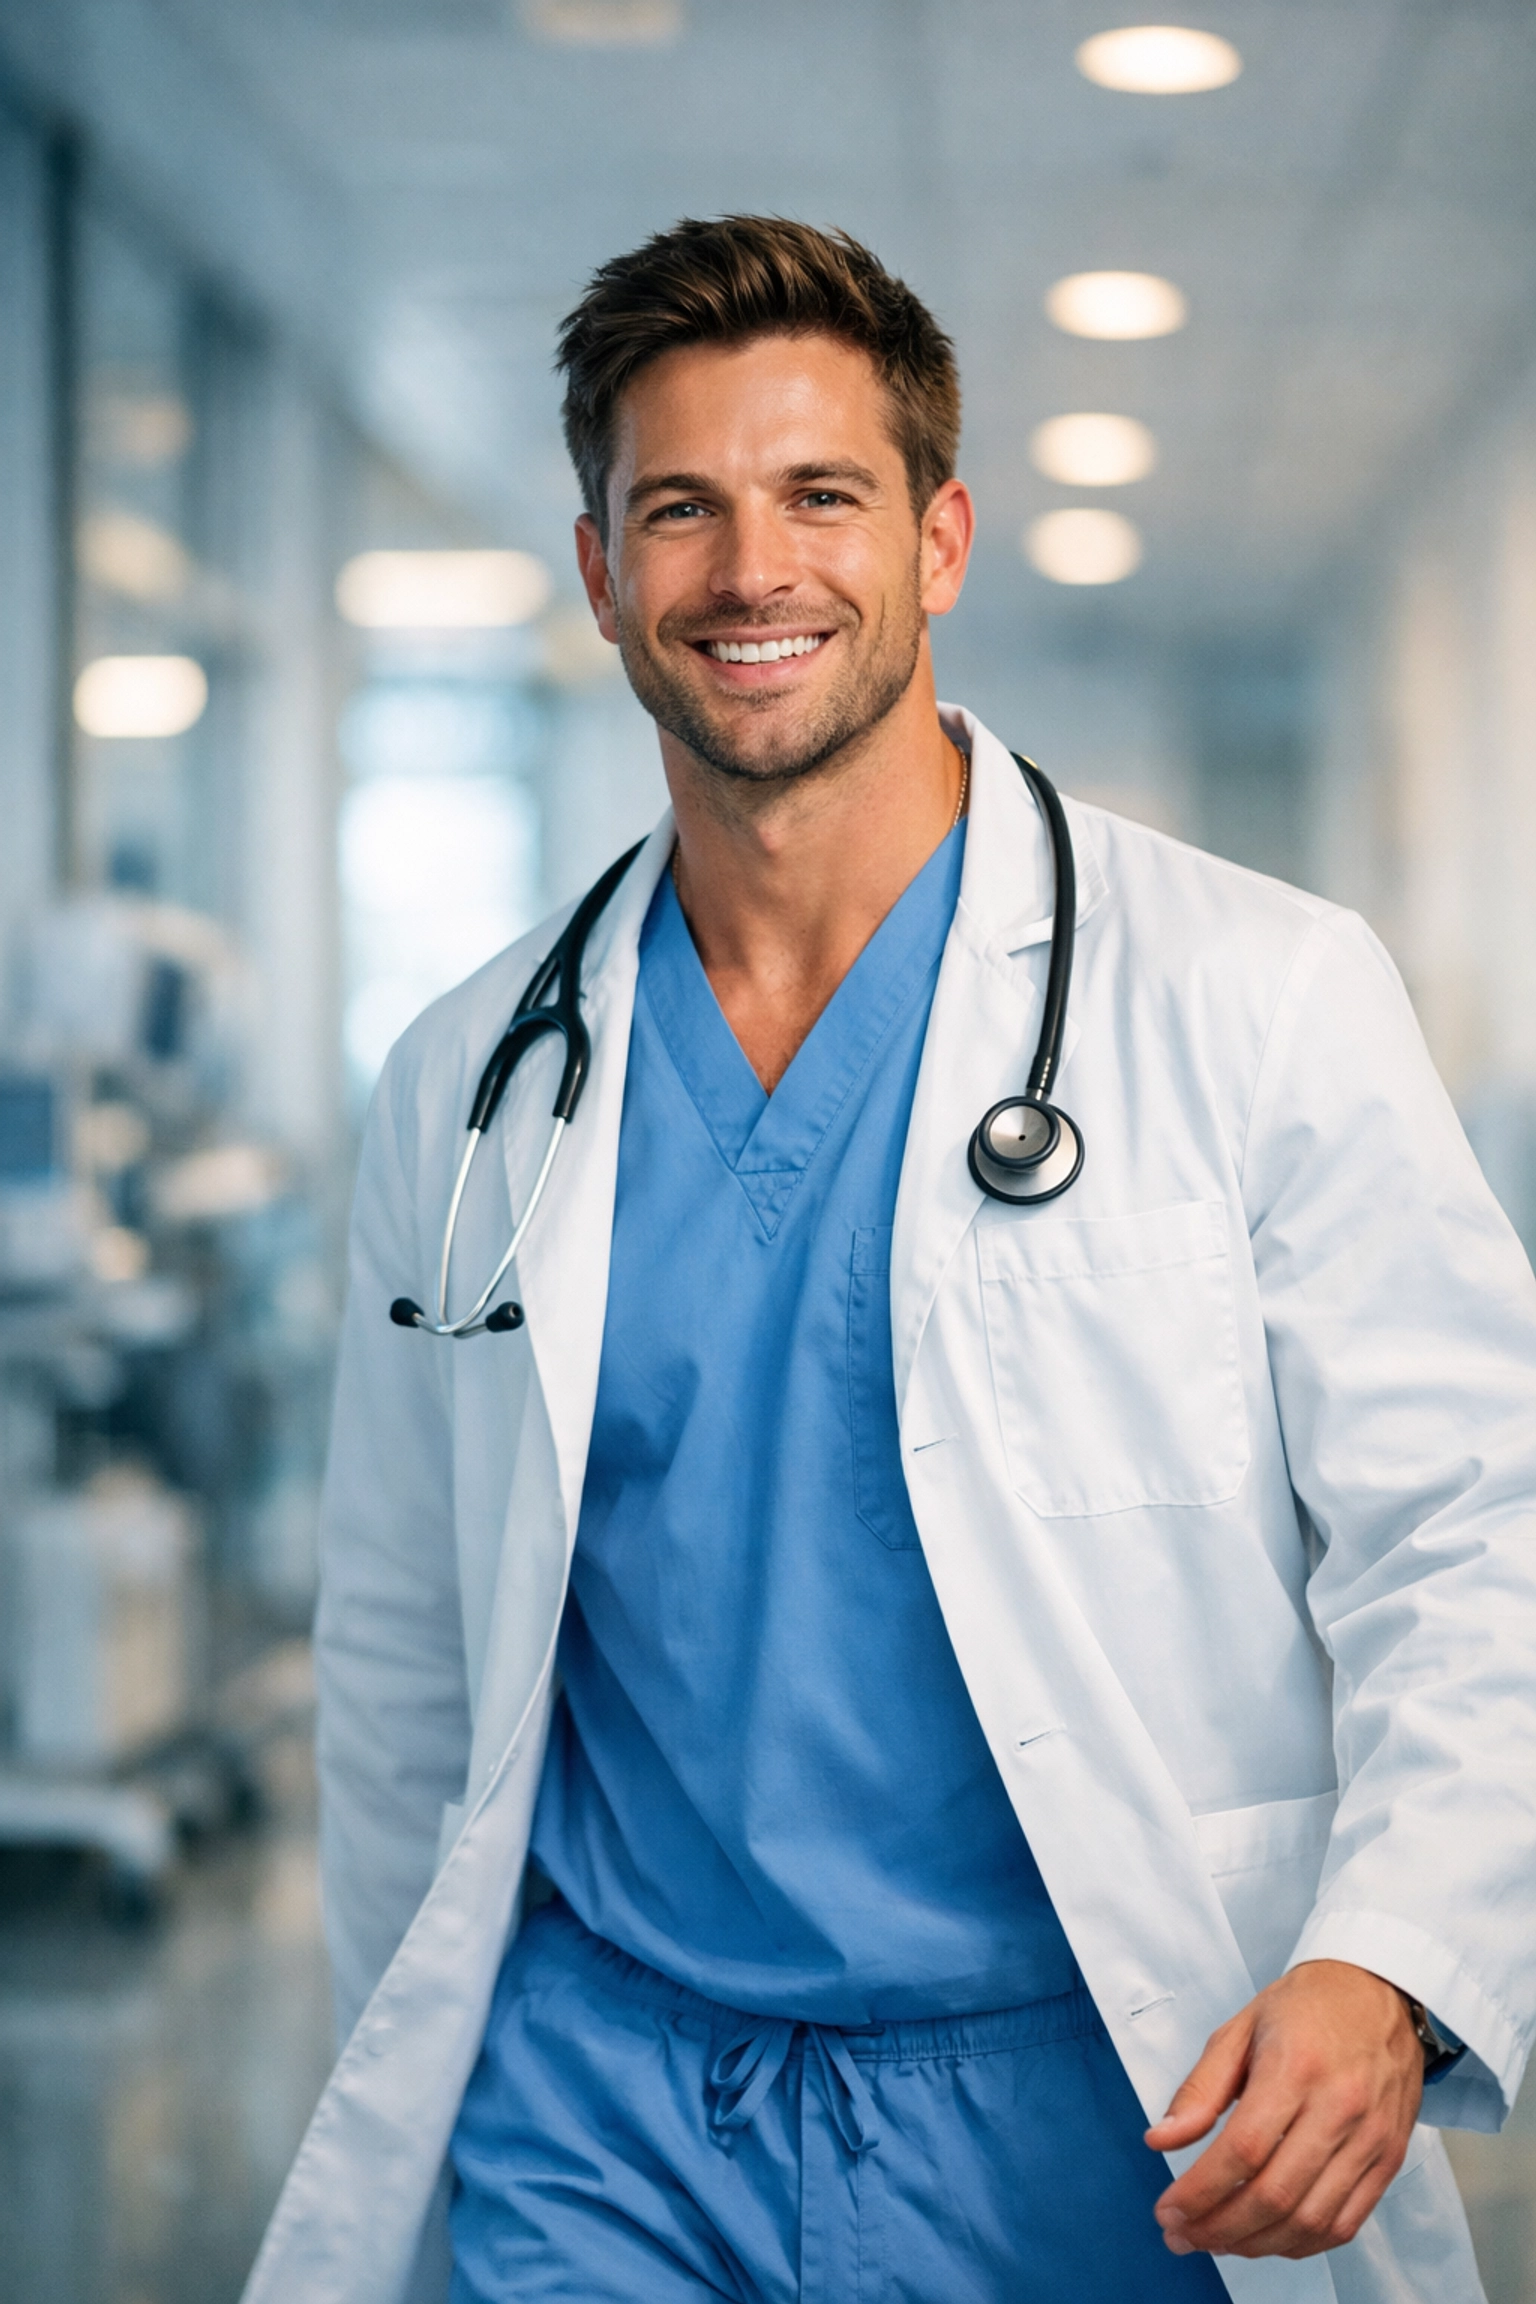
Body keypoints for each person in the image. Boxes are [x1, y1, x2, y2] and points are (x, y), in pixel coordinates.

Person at [243, 219, 1536, 2304]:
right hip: (604, 2117)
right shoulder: (469, 1081)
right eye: (681, 508)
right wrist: (430, 2064)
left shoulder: (1255, 993)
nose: (752, 570)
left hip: (1107, 2104)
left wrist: (1390, 1964)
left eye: (819, 496)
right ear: (600, 569)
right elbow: (403, 1648)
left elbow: (1481, 1532)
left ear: (938, 541)